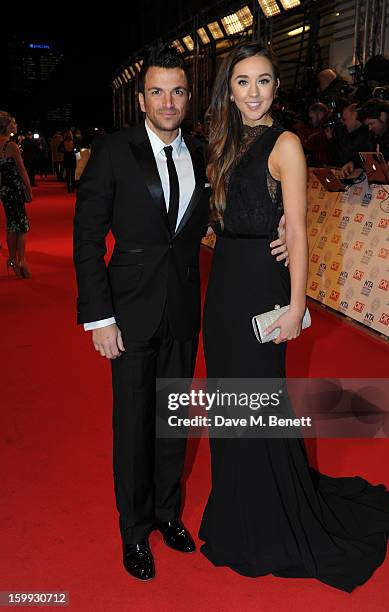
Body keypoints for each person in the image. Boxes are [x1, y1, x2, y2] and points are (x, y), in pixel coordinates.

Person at [73, 43, 290, 582]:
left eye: (177, 91)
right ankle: (134, 529)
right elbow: (86, 239)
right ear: (141, 99)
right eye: (156, 91)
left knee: (172, 419)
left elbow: (228, 211)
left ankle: (168, 515)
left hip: (187, 309)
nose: (167, 101)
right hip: (127, 313)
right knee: (133, 422)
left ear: (189, 97)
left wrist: (283, 225)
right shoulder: (113, 152)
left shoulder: (204, 152)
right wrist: (99, 318)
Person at [198, 42, 389, 593]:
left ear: (275, 88)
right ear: (230, 89)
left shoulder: (284, 142)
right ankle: (237, 506)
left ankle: (270, 516)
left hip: (263, 289)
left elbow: (299, 230)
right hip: (223, 288)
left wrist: (296, 305)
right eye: (242, 81)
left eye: (263, 81)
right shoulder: (224, 142)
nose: (254, 92)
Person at [0, 111, 32, 278]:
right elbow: (22, 170)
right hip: (15, 189)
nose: (16, 125)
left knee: (12, 225)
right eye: (13, 123)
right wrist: (29, 188)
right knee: (22, 226)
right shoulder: (10, 145)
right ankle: (21, 261)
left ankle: (12, 260)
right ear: (6, 126)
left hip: (4, 190)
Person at [358, 98, 389, 167]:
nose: (370, 128)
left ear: (383, 116)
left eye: (371, 123)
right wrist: (353, 163)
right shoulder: (373, 135)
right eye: (368, 125)